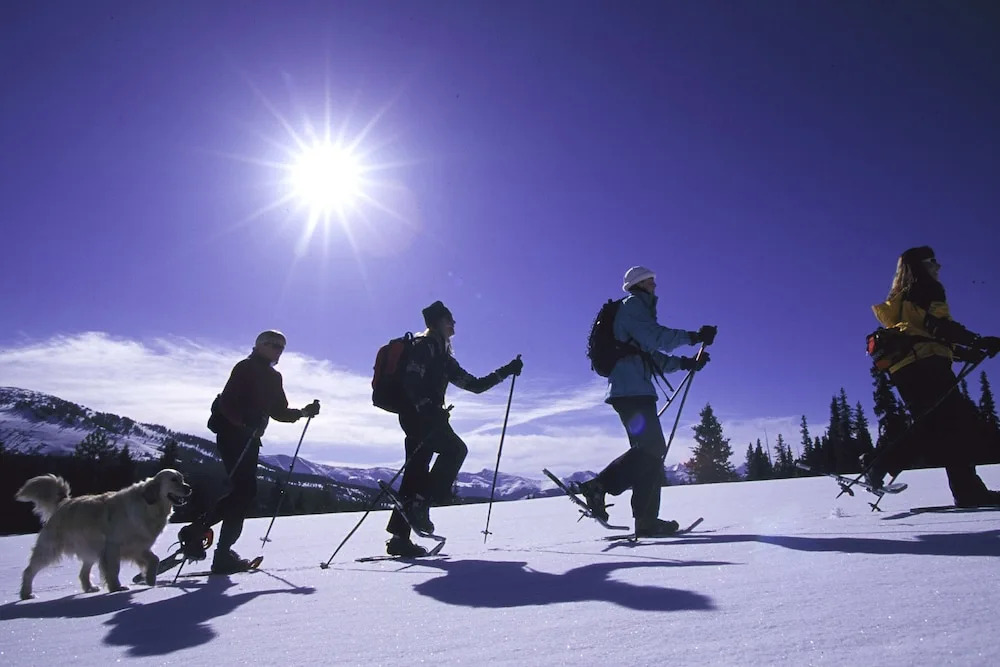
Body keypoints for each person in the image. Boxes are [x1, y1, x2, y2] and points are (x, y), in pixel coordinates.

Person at [574, 266, 716, 537]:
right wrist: (694, 337)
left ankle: (646, 521)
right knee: (652, 448)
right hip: (630, 391)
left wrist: (686, 363)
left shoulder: (640, 311)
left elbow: (650, 357)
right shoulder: (633, 306)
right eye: (650, 281)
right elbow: (657, 337)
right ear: (638, 284)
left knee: (649, 455)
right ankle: (599, 485)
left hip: (633, 389)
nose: (654, 285)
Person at [386, 300, 522, 557]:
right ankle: (421, 504)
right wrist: (427, 407)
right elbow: (411, 379)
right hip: (423, 417)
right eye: (449, 319)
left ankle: (399, 538)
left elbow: (475, 385)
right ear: (438, 322)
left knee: (415, 472)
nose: (454, 324)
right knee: (455, 450)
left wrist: (506, 370)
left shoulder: (443, 357)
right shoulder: (427, 347)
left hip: (417, 417)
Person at [865, 246, 1000, 506]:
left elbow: (919, 333)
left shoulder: (901, 298)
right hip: (926, 365)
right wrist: (977, 341)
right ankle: (967, 491)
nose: (938, 266)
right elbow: (937, 326)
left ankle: (880, 464)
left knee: (934, 425)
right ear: (919, 266)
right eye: (932, 261)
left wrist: (963, 352)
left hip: (906, 368)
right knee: (956, 422)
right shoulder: (927, 288)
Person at [178, 330, 321, 573]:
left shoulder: (274, 377)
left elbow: (279, 411)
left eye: (281, 346)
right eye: (272, 344)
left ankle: (201, 535)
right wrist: (244, 422)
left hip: (249, 439)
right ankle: (218, 551)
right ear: (259, 345)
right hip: (233, 435)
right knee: (244, 492)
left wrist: (303, 412)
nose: (277, 350)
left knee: (242, 492)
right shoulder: (245, 367)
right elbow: (227, 403)